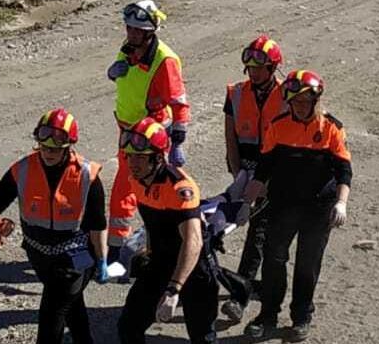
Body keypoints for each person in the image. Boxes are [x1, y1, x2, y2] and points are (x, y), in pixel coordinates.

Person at [0, 108, 107, 344]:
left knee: (51, 317)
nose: (49, 152)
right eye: (44, 146)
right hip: (39, 255)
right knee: (73, 311)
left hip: (75, 259)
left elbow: (97, 224)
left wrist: (102, 259)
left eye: (55, 147)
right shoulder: (23, 169)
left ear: (69, 146)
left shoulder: (87, 175)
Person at [242, 70, 352, 342]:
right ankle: (267, 314)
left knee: (307, 263)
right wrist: (246, 203)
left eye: (305, 102)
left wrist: (341, 202)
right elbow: (263, 170)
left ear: (316, 101)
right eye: (295, 102)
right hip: (283, 206)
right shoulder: (278, 126)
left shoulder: (331, 128)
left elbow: (344, 170)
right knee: (273, 259)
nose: (300, 107)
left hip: (318, 208)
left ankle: (302, 316)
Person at [116, 118, 220, 344]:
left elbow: (192, 242)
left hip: (193, 268)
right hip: (160, 263)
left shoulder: (179, 188)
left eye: (140, 157)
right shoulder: (137, 180)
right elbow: (153, 223)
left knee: (203, 337)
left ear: (157, 157)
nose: (132, 163)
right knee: (128, 327)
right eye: (129, 156)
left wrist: (174, 290)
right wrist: (147, 248)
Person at [106, 0, 190, 272]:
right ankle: (118, 249)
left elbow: (179, 102)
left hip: (151, 135)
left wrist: (177, 141)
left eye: (137, 30)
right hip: (127, 130)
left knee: (149, 189)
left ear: (150, 32)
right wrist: (113, 72)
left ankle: (157, 245)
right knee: (124, 186)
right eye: (129, 28)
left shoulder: (164, 60)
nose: (131, 33)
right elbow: (127, 80)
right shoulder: (128, 49)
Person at [220, 36, 289, 322]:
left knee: (259, 231)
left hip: (276, 173)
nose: (254, 72)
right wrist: (238, 175)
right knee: (233, 224)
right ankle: (258, 285)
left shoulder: (288, 95)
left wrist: (268, 181)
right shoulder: (236, 93)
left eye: (259, 68)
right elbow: (230, 138)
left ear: (273, 68)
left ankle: (239, 296)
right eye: (250, 67)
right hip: (245, 170)